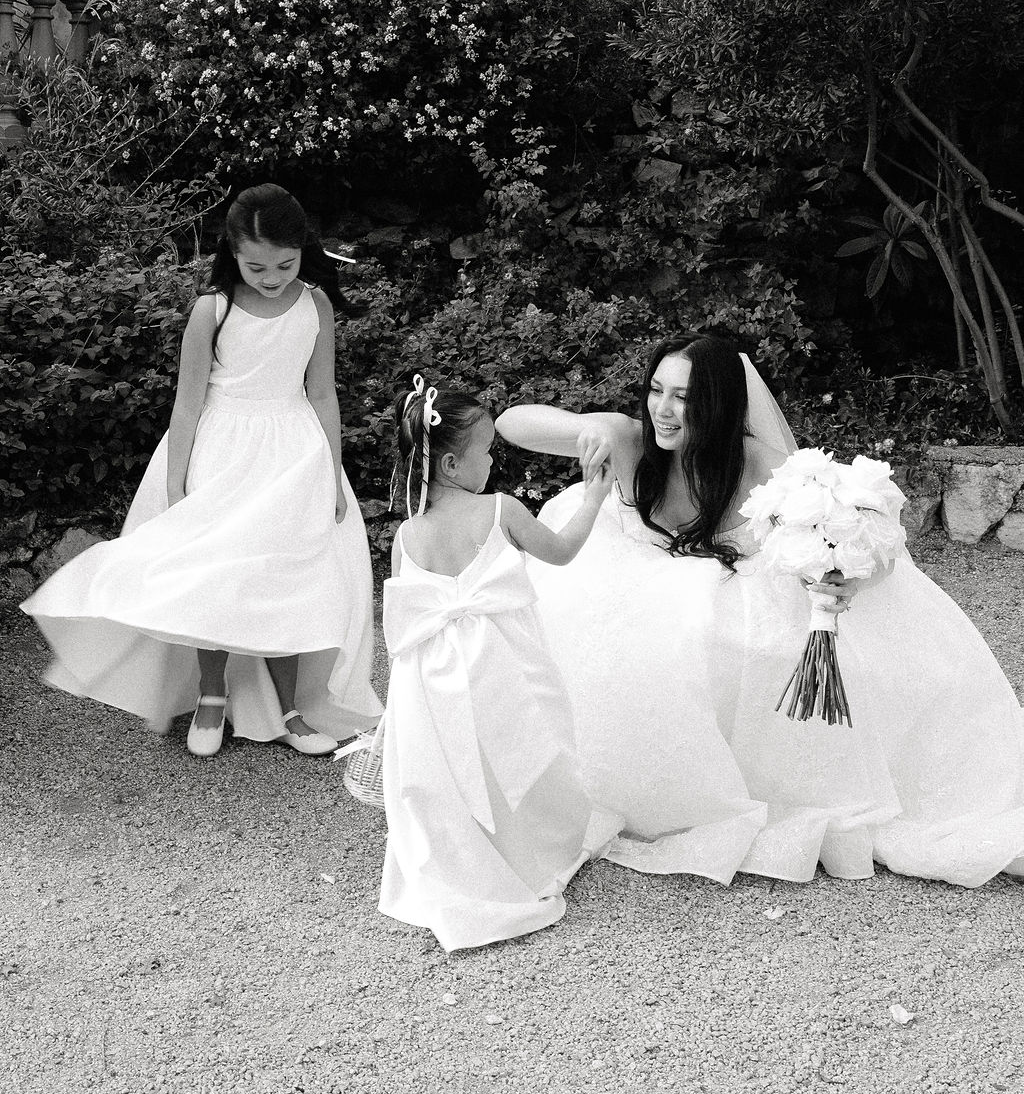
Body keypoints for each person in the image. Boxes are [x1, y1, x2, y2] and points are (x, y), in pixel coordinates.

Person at [495, 334, 1024, 889]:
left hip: (734, 580)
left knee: (719, 627)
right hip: (640, 568)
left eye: (684, 397)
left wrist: (847, 577)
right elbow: (511, 421)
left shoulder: (762, 461)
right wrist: (589, 428)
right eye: (656, 391)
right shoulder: (632, 438)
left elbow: (863, 533)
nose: (663, 410)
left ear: (721, 404)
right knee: (587, 606)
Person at [23, 184, 381, 757]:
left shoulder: (315, 305)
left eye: (285, 264)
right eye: (257, 265)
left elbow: (322, 393)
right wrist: (175, 483)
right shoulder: (213, 309)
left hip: (292, 453)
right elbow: (187, 403)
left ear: (302, 252)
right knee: (213, 572)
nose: (271, 277)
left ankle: (290, 707)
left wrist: (333, 472)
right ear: (233, 253)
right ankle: (211, 693)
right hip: (222, 448)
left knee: (283, 574)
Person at [378, 377, 621, 951]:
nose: (492, 462)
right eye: (487, 451)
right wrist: (591, 498)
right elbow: (560, 552)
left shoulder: (405, 536)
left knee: (456, 764)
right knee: (526, 743)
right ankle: (530, 847)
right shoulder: (499, 510)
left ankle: (471, 851)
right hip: (503, 662)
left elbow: (404, 629)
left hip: (432, 677)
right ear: (455, 463)